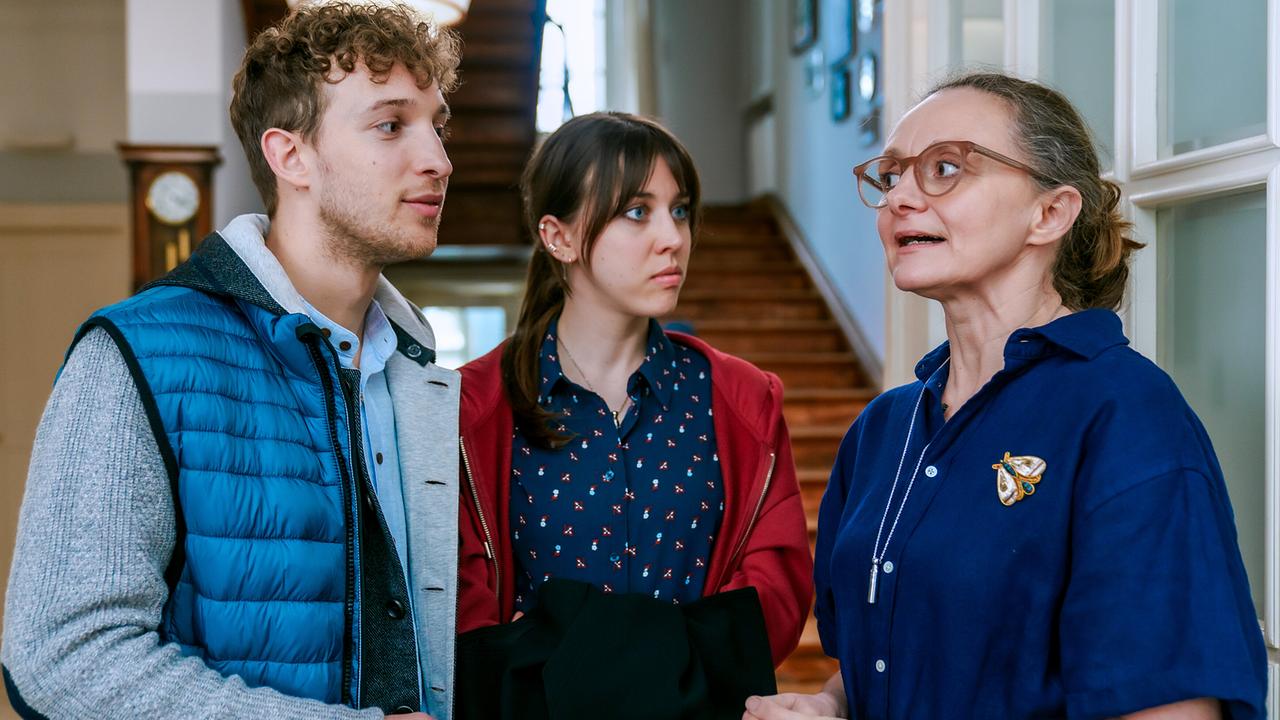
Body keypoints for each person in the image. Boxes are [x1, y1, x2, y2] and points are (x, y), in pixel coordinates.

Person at [745, 72, 1268, 720]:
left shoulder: (1126, 414)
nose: (900, 197)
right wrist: (829, 706)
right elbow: (893, 657)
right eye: (891, 175)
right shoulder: (883, 429)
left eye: (944, 168)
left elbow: (1172, 708)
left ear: (1049, 213)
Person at [3, 3, 463, 718]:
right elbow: (62, 656)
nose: (438, 158)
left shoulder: (416, 372)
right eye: (391, 125)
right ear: (290, 156)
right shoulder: (137, 354)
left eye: (438, 124)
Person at [456, 112, 812, 684]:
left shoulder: (743, 398)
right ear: (559, 236)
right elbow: (461, 603)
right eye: (637, 212)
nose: (673, 238)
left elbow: (777, 591)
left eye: (680, 210)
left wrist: (592, 657)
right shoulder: (472, 406)